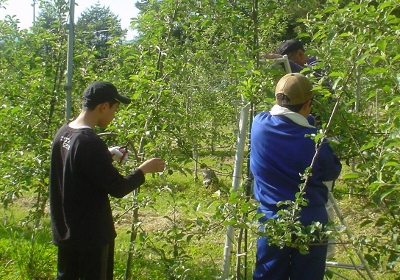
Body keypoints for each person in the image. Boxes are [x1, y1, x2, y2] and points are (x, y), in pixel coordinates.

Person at [49, 81, 166, 279]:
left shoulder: (64, 133)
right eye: (115, 109)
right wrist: (144, 169)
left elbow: (76, 168)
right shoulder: (90, 142)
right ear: (104, 107)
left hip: (67, 231)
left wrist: (106, 154)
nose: (114, 115)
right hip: (91, 236)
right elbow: (119, 188)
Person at [250, 73, 342, 279]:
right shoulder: (315, 141)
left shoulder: (258, 125)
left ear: (277, 99)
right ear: (308, 104)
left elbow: (282, 118)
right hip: (310, 218)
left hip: (271, 216)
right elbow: (332, 171)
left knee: (269, 273)